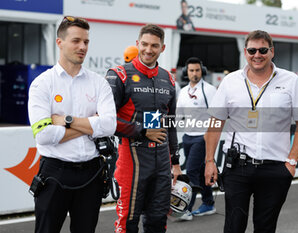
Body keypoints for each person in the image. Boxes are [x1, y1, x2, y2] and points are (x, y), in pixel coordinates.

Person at [204, 30, 298, 233]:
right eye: (252, 50)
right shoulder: (230, 82)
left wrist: (291, 162)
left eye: (263, 50)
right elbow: (216, 122)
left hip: (275, 168)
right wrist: (210, 161)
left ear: (272, 51)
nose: (257, 55)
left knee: (265, 228)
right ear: (245, 52)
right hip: (237, 167)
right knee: (233, 227)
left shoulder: (291, 81)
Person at [28, 16, 116, 233]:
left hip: (92, 172)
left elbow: (110, 126)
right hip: (54, 171)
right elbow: (44, 135)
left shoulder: (99, 83)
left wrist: (67, 121)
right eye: (76, 41)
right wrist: (90, 125)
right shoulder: (43, 83)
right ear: (60, 42)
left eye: (86, 42)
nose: (82, 47)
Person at [105, 24, 182, 233]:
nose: (149, 50)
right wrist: (142, 130)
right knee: (128, 223)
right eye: (145, 44)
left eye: (154, 46)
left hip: (162, 162)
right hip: (132, 158)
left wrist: (175, 162)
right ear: (137, 44)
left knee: (158, 222)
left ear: (162, 48)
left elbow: (170, 122)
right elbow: (104, 120)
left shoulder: (168, 78)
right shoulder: (118, 75)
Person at [176, 57, 217, 221]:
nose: (194, 73)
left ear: (202, 71)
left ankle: (186, 209)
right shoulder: (183, 91)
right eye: (191, 70)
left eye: (197, 70)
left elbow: (217, 115)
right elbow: (178, 115)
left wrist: (209, 134)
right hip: (187, 137)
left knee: (191, 171)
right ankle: (208, 203)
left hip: (203, 137)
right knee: (199, 172)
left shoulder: (209, 90)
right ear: (187, 72)